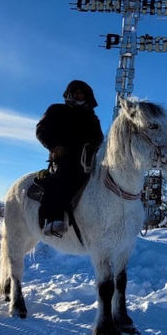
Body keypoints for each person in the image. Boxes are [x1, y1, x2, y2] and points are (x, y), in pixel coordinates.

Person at [36, 80, 104, 237]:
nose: (79, 95)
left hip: (89, 161)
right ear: (69, 94)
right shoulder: (56, 110)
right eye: (76, 93)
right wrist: (54, 146)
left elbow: (99, 138)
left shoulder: (93, 118)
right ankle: (51, 220)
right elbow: (42, 130)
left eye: (82, 94)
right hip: (64, 158)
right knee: (61, 178)